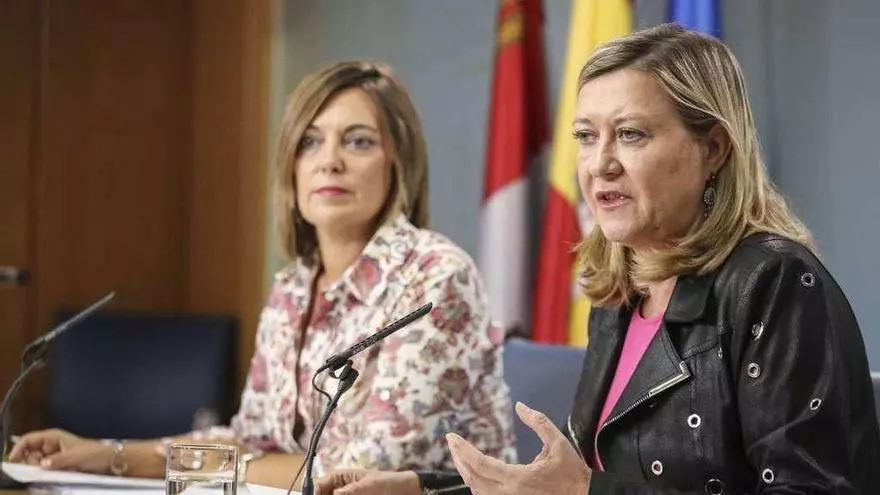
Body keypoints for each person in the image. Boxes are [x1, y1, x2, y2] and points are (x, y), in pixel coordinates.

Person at [316, 23, 880, 494]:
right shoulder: (621, 294)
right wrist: (422, 489)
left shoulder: (773, 282)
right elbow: (568, 482)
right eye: (586, 137)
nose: (599, 164)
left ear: (712, 149)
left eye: (630, 134)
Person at [8, 61, 517, 489]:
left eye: (358, 141)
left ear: (398, 163)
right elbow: (249, 438)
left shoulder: (435, 277)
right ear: (291, 168)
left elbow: (360, 475)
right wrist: (107, 455)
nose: (329, 161)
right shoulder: (293, 286)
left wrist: (224, 466)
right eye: (309, 142)